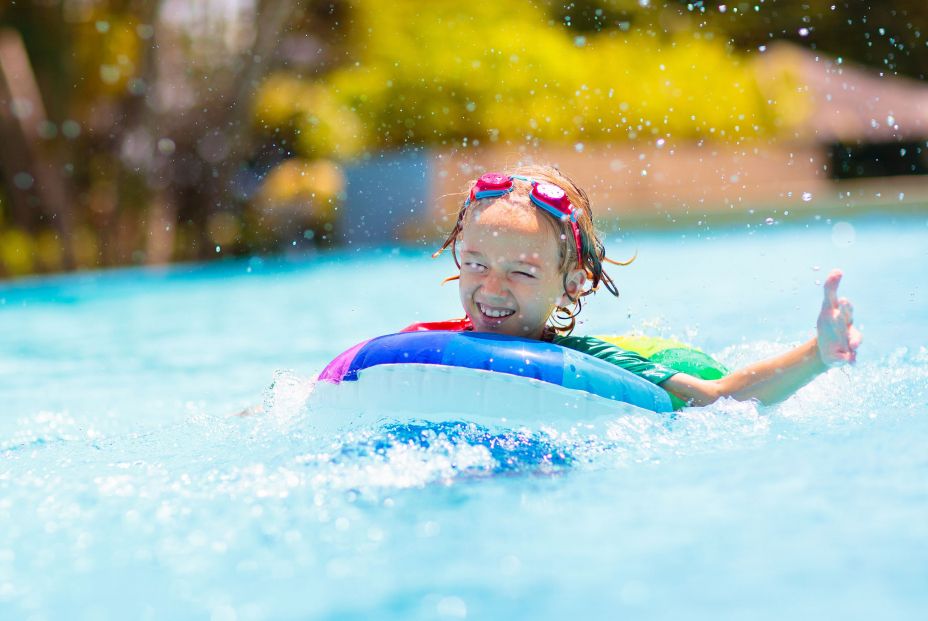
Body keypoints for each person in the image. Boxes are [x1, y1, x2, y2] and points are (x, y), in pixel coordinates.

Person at [403, 164, 861, 407]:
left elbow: (721, 396)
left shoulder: (593, 362)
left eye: (522, 272)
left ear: (573, 286)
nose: (492, 287)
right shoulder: (427, 347)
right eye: (476, 264)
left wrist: (817, 354)